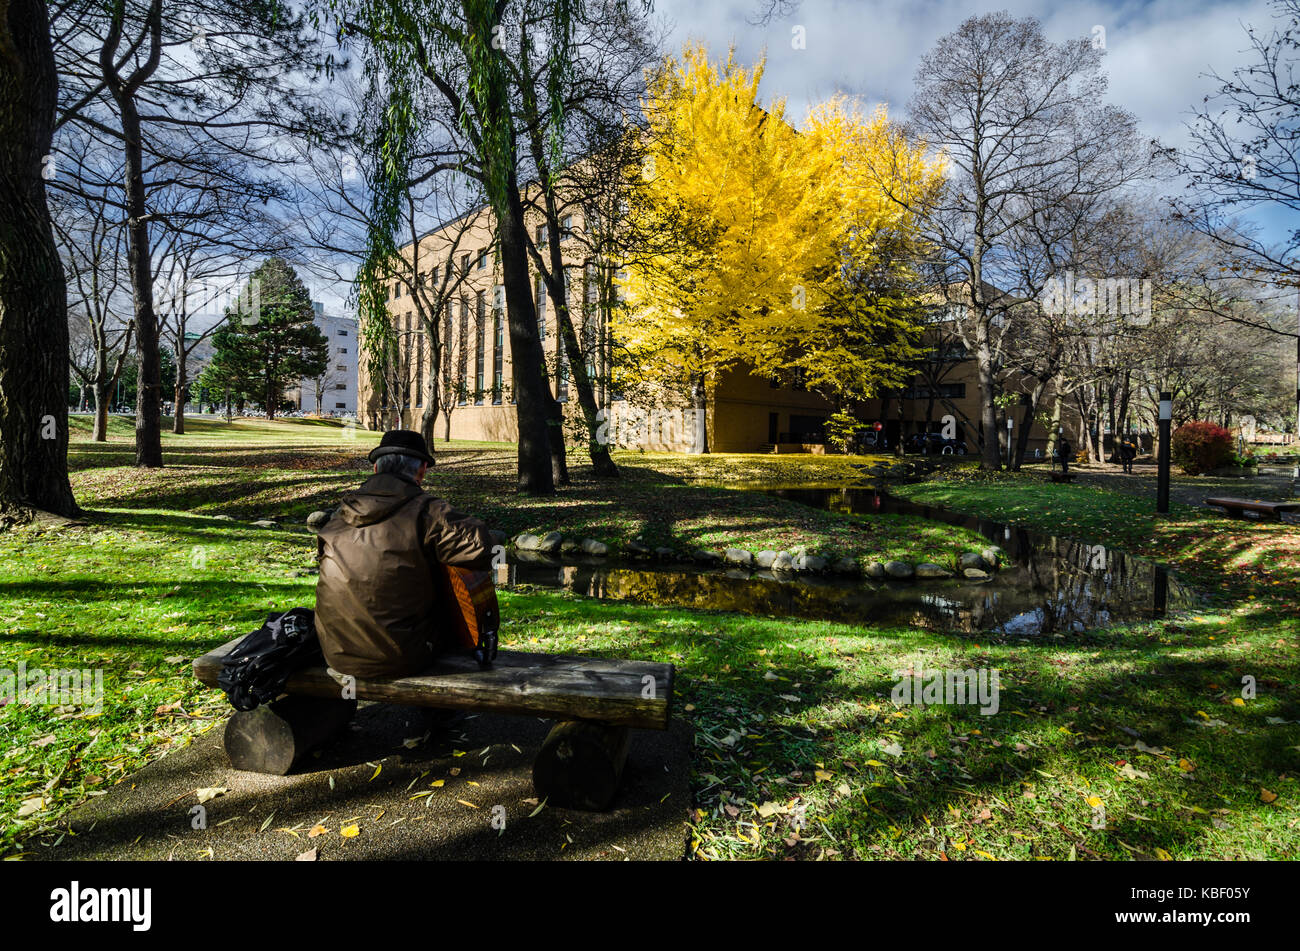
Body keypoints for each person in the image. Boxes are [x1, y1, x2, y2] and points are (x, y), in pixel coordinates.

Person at [314, 429, 495, 678]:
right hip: (399, 658)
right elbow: (485, 551)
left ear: (376, 469)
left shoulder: (339, 515)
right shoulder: (427, 512)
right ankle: (440, 712)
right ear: (421, 471)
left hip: (336, 652)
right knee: (453, 616)